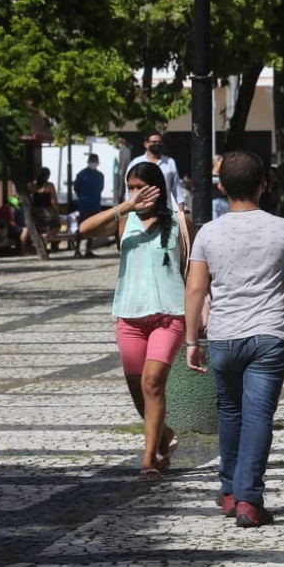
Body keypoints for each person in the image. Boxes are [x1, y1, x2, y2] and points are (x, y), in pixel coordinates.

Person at [184, 151, 284, 529]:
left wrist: (192, 340)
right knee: (258, 416)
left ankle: (228, 492)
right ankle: (249, 499)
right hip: (270, 333)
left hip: (223, 335)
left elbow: (194, 290)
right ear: (263, 185)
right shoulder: (283, 229)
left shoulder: (209, 232)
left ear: (222, 187)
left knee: (230, 412)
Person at [79, 162, 184, 480]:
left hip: (169, 315)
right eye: (132, 187)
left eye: (142, 187)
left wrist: (200, 314)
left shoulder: (179, 221)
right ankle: (164, 436)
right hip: (129, 316)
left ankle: (148, 459)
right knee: (139, 391)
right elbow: (84, 230)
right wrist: (125, 206)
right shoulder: (124, 221)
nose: (137, 193)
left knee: (152, 383)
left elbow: (192, 271)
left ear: (158, 188)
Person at [127, 131, 186, 211]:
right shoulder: (136, 162)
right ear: (146, 144)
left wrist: (181, 212)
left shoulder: (169, 162)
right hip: (141, 208)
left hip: (165, 209)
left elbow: (176, 188)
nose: (157, 144)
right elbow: (129, 190)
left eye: (159, 142)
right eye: (154, 142)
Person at [73, 153, 105, 257]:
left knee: (94, 228)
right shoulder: (82, 175)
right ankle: (77, 250)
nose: (93, 163)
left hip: (95, 204)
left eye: (95, 161)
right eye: (92, 161)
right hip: (84, 204)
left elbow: (100, 188)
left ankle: (88, 250)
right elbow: (76, 188)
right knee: (82, 227)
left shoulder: (100, 175)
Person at [28, 167, 60, 246]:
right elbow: (53, 201)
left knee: (40, 228)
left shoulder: (32, 185)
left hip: (35, 212)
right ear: (48, 176)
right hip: (47, 211)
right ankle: (46, 236)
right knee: (57, 226)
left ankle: (43, 239)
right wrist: (57, 212)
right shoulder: (49, 186)